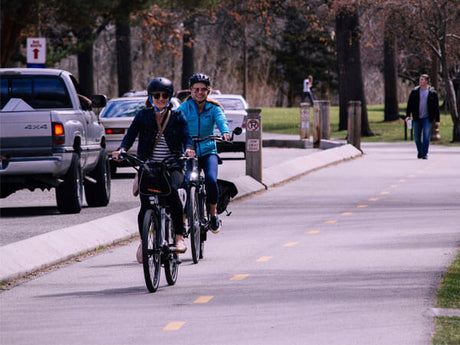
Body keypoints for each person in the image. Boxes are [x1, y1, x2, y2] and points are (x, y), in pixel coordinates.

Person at [112, 77, 195, 262]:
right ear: (150, 97)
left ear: (169, 97)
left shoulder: (177, 116)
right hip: (148, 166)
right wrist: (122, 150)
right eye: (156, 95)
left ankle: (179, 238)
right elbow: (130, 136)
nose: (160, 99)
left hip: (172, 164)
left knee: (172, 194)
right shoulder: (143, 116)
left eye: (164, 95)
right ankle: (144, 241)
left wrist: (189, 149)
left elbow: (186, 136)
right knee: (146, 205)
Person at [178, 73, 231, 233]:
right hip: (189, 152)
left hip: (208, 151)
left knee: (210, 180)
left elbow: (222, 121)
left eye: (203, 89)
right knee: (186, 182)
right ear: (191, 91)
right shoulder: (184, 108)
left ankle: (213, 215)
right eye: (196, 89)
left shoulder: (214, 108)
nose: (199, 92)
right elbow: (175, 122)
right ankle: (184, 217)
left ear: (208, 91)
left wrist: (225, 133)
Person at [405, 74, 440, 159]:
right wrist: (408, 115)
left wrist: (437, 120)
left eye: (422, 80)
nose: (420, 81)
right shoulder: (415, 92)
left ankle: (424, 153)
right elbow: (410, 105)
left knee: (426, 135)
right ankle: (420, 151)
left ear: (427, 81)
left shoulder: (432, 93)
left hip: (427, 118)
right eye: (420, 80)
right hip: (417, 117)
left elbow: (436, 108)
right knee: (416, 137)